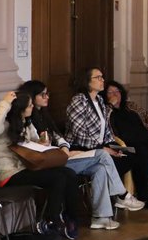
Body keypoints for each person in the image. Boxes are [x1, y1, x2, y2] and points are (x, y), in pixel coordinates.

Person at [19, 79, 138, 231]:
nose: (47, 97)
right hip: (51, 163)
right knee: (102, 155)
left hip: (61, 156)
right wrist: (62, 151)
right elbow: (35, 146)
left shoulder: (44, 115)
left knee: (100, 168)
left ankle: (101, 217)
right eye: (43, 94)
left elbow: (58, 137)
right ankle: (122, 194)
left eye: (47, 93)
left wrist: (64, 148)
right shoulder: (29, 121)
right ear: (32, 97)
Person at [0, 90, 88, 233]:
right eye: (29, 106)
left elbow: (34, 143)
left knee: (69, 173)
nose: (32, 107)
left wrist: (42, 142)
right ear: (20, 109)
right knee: (57, 178)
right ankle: (51, 219)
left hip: (27, 168)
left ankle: (71, 216)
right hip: (9, 174)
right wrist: (5, 103)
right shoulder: (3, 127)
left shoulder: (25, 123)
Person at [64, 66, 148, 210]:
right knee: (114, 161)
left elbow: (105, 129)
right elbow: (79, 134)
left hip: (101, 145)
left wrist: (113, 146)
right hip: (81, 148)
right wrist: (103, 149)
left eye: (102, 77)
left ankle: (139, 196)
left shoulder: (100, 101)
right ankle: (119, 196)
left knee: (136, 155)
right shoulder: (79, 101)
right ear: (87, 82)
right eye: (98, 78)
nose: (102, 80)